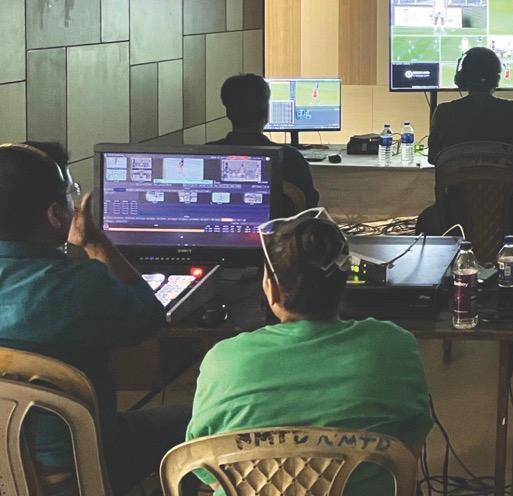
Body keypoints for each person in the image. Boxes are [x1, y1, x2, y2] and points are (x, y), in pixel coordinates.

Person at [187, 209, 430, 496]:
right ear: (344, 284)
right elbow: (409, 453)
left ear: (271, 290)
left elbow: (206, 469)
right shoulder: (395, 346)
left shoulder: (222, 359)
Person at [0, 142, 189, 495]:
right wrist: (95, 243)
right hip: (80, 469)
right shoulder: (80, 288)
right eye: (70, 192)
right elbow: (149, 318)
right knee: (201, 419)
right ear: (56, 215)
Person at [208, 74, 319, 216]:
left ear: (228, 112)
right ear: (266, 112)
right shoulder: (291, 159)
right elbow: (309, 207)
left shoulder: (207, 155)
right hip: (278, 237)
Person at [426, 47, 513, 164]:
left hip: (459, 182)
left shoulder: (443, 112)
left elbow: (433, 158)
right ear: (496, 78)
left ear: (461, 78)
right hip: (503, 182)